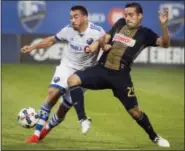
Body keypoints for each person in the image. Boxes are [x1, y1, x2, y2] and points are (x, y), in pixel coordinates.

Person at [40, 2, 171, 147]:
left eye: (131, 15)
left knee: (135, 112)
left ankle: (154, 137)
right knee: (73, 80)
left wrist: (163, 25)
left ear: (140, 16)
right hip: (101, 69)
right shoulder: (120, 23)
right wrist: (102, 43)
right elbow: (106, 37)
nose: (127, 18)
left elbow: (165, 43)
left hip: (120, 76)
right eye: (126, 14)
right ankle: (83, 119)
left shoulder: (146, 34)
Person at [21, 5, 105, 143]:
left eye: (75, 16)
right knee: (53, 92)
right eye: (71, 17)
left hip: (83, 74)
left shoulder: (97, 32)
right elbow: (51, 40)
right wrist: (32, 47)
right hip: (67, 67)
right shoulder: (68, 30)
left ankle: (44, 131)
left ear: (85, 17)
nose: (72, 20)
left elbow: (106, 46)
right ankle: (36, 135)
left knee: (63, 109)